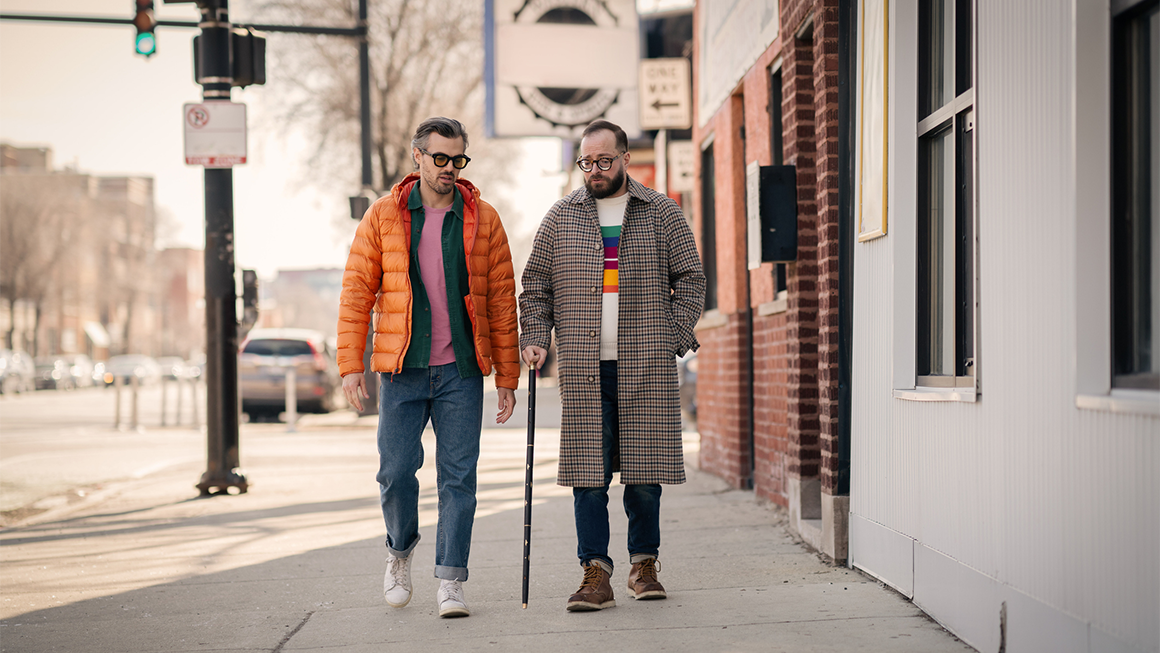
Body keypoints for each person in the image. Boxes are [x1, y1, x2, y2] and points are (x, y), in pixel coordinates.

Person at [518, 119, 706, 612]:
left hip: (647, 365)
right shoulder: (560, 218)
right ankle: (595, 573)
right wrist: (535, 338)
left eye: (604, 160)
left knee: (644, 478)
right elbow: (535, 288)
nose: (595, 170)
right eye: (586, 162)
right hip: (582, 367)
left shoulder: (662, 212)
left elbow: (691, 280)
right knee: (588, 477)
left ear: (625, 158)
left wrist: (673, 336)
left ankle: (643, 564)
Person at [337, 117, 520, 618]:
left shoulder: (483, 217)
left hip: (462, 369)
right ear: (416, 156)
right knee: (396, 473)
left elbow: (503, 301)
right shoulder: (384, 217)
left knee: (459, 478)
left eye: (458, 159)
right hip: (403, 370)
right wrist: (351, 363)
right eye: (440, 158)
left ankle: (450, 579)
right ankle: (399, 553)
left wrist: (507, 376)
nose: (449, 168)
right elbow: (357, 293)